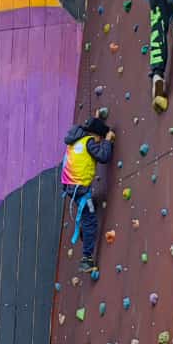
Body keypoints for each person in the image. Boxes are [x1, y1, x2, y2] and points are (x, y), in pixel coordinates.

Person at [61, 112, 115, 273]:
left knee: (87, 213)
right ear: (95, 135)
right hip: (81, 189)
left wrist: (97, 120)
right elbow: (103, 156)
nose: (97, 142)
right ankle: (86, 259)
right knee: (90, 221)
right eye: (98, 138)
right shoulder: (90, 141)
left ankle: (86, 234)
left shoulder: (75, 140)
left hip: (69, 186)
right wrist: (107, 141)